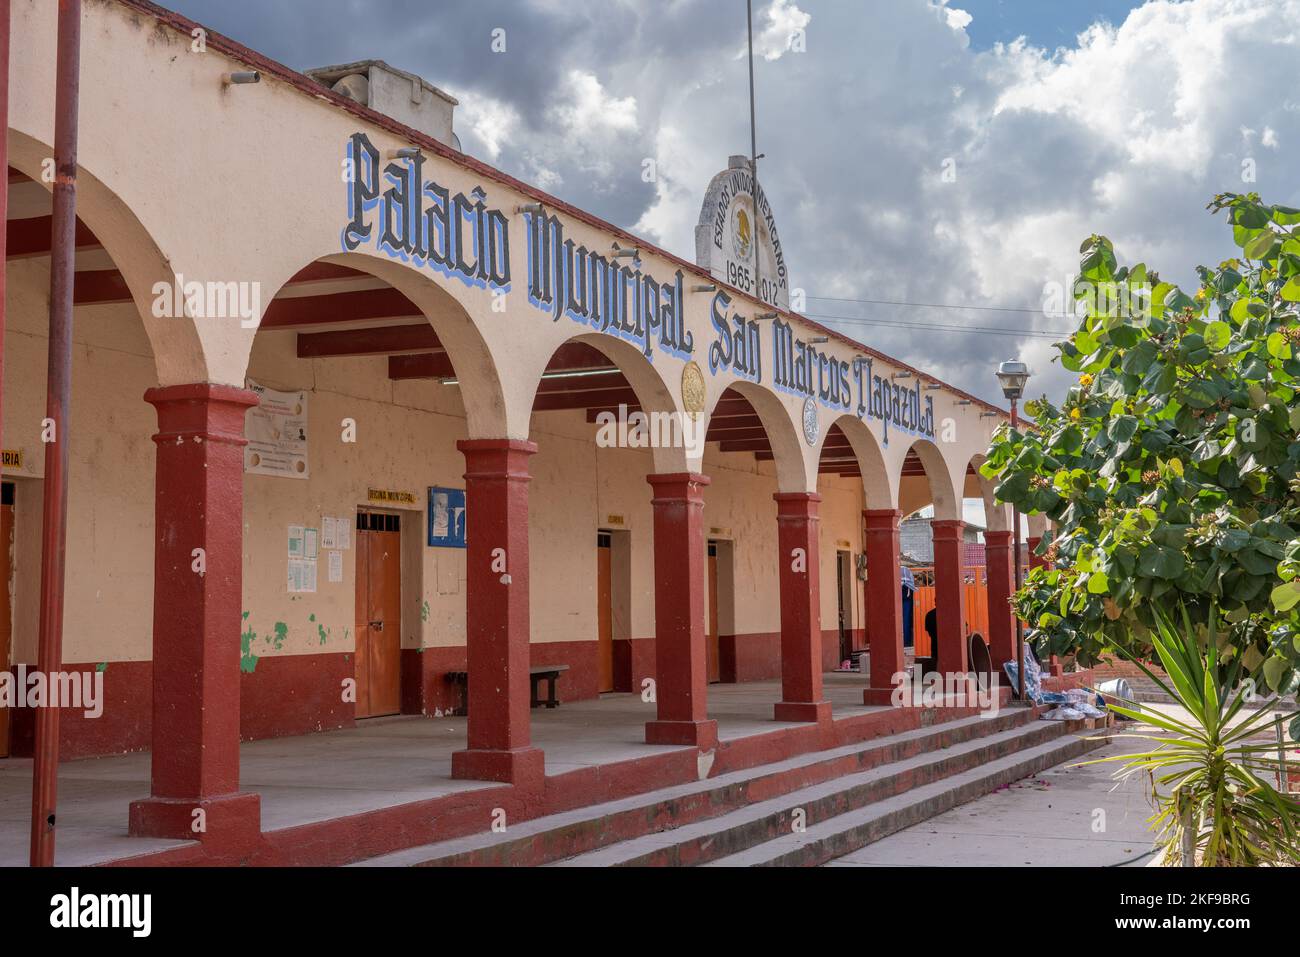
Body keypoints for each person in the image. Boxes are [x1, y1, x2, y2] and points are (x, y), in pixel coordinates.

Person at [921, 606, 938, 676]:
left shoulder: (929, 614)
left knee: (935, 664)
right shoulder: (952, 612)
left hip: (934, 646)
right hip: (950, 648)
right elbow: (965, 629)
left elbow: (928, 631)